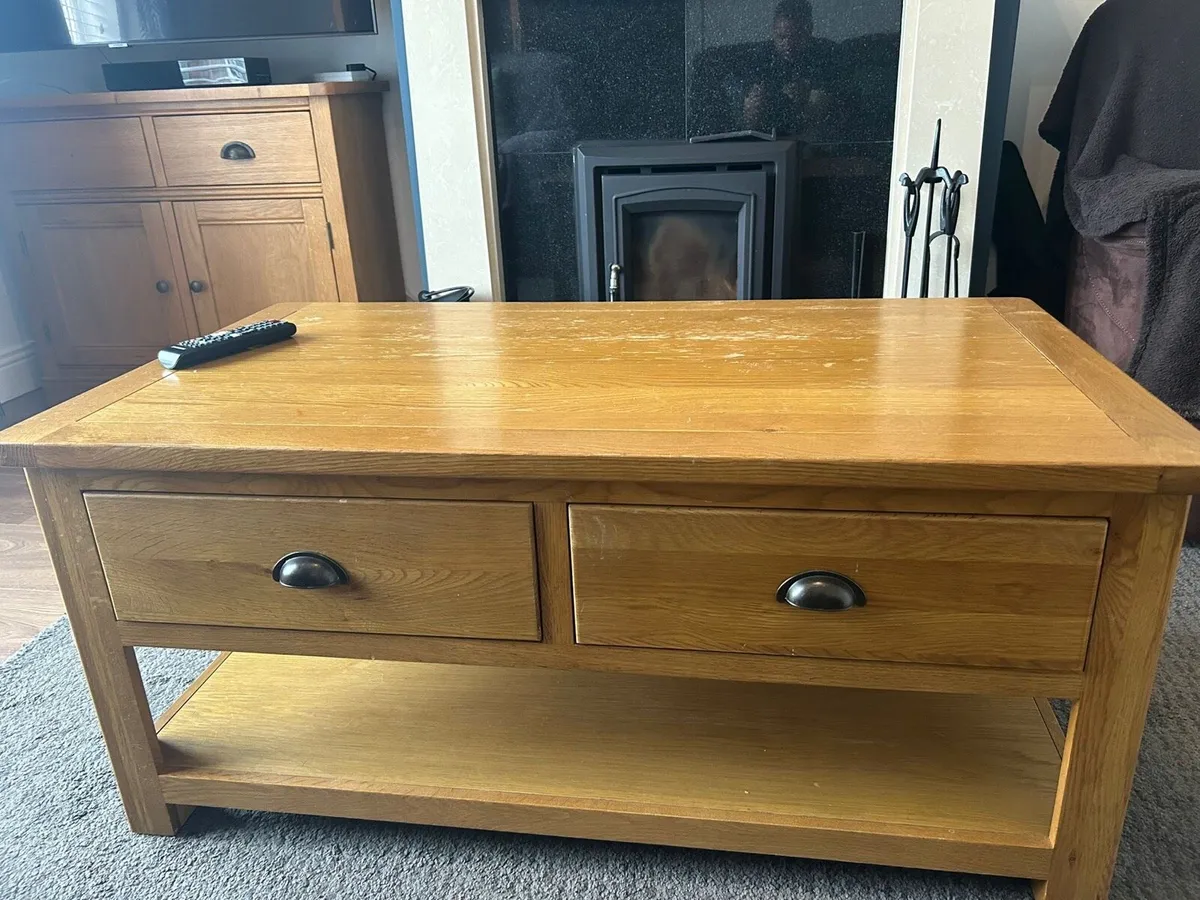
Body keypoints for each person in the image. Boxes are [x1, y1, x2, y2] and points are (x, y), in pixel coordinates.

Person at [743, 0, 836, 138]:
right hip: (767, 139)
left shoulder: (826, 54)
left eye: (796, 37)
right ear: (773, 31)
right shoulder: (760, 57)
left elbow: (825, 111)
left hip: (816, 141)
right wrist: (755, 106)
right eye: (782, 37)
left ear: (809, 30)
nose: (788, 44)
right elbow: (746, 121)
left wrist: (806, 100)